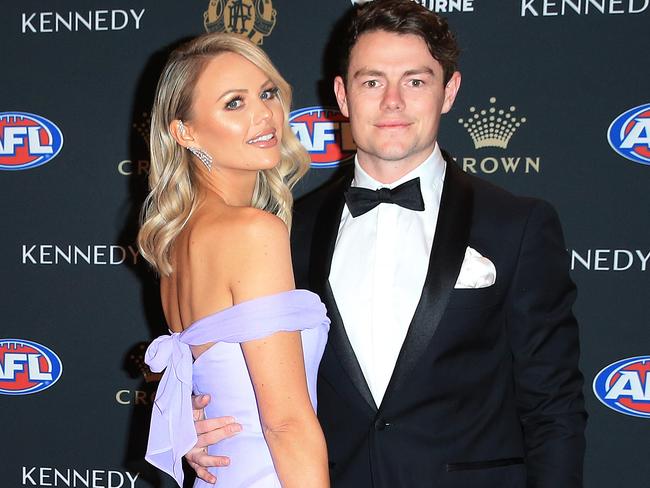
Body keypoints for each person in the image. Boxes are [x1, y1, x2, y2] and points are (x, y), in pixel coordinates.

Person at [189, 1, 587, 486]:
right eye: (372, 81)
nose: (393, 101)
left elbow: (554, 407)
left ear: (449, 91)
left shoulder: (517, 225)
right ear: (342, 94)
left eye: (416, 81)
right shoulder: (289, 230)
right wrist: (196, 424)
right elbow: (245, 372)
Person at [138, 33, 330, 488]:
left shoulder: (176, 242)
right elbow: (286, 425)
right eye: (234, 103)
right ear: (184, 132)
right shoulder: (251, 231)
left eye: (266, 93)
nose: (265, 115)